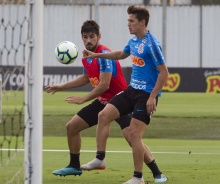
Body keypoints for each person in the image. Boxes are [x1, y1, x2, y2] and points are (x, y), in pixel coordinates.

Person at [45, 20, 167, 183]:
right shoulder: (86, 57)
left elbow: (104, 84)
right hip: (103, 102)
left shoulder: (104, 55)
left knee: (132, 138)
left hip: (120, 101)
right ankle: (74, 165)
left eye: (92, 36)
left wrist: (83, 99)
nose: (88, 40)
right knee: (72, 126)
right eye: (85, 37)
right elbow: (86, 78)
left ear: (98, 36)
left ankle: (156, 172)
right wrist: (61, 87)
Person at [81, 6, 169, 184]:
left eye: (131, 21)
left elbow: (164, 73)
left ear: (142, 22)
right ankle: (100, 158)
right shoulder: (134, 41)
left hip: (145, 95)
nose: (127, 24)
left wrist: (153, 97)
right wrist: (96, 54)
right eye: (128, 20)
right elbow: (121, 54)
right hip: (131, 90)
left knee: (134, 135)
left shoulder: (151, 44)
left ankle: (138, 178)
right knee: (103, 115)